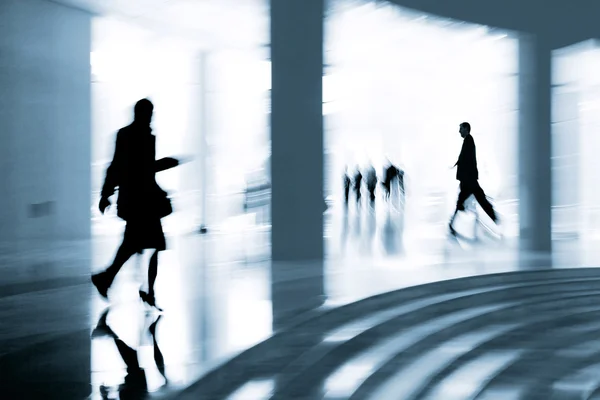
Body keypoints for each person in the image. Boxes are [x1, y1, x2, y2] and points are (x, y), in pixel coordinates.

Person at [91, 99, 182, 310]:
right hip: (142, 201)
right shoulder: (141, 137)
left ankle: (118, 281)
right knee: (145, 245)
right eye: (149, 113)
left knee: (134, 245)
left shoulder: (129, 135)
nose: (150, 117)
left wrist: (107, 194)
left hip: (137, 201)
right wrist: (166, 163)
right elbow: (138, 169)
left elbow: (121, 168)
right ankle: (141, 289)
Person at [448, 122, 498, 236]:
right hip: (468, 179)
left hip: (468, 179)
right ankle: (495, 218)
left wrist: (462, 170)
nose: (459, 131)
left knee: (473, 199)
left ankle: (451, 223)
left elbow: (468, 160)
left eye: (461, 128)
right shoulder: (468, 141)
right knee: (478, 199)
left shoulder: (469, 141)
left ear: (466, 129)